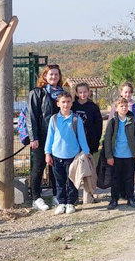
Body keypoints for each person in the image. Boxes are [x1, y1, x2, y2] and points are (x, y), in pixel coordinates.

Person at [26, 64, 66, 211]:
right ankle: (36, 198)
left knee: (56, 166)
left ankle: (58, 195)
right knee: (38, 167)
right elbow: (31, 117)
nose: (53, 77)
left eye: (56, 74)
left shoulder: (63, 94)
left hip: (59, 137)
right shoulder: (37, 93)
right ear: (45, 76)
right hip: (42, 136)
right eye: (50, 74)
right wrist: (33, 137)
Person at [44, 92, 91, 215]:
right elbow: (50, 137)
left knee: (71, 181)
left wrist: (86, 152)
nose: (66, 104)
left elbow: (82, 136)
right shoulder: (53, 119)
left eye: (68, 102)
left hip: (73, 156)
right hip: (57, 156)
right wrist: (47, 153)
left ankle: (71, 202)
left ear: (71, 103)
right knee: (59, 181)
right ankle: (61, 203)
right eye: (63, 102)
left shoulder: (76, 119)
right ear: (58, 104)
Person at [103, 97, 135, 209]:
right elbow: (107, 139)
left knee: (129, 177)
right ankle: (114, 199)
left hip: (129, 155)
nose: (124, 108)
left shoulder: (132, 121)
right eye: (121, 106)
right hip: (116, 156)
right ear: (116, 108)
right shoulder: (112, 122)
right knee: (115, 178)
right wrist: (109, 155)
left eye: (126, 106)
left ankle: (130, 197)